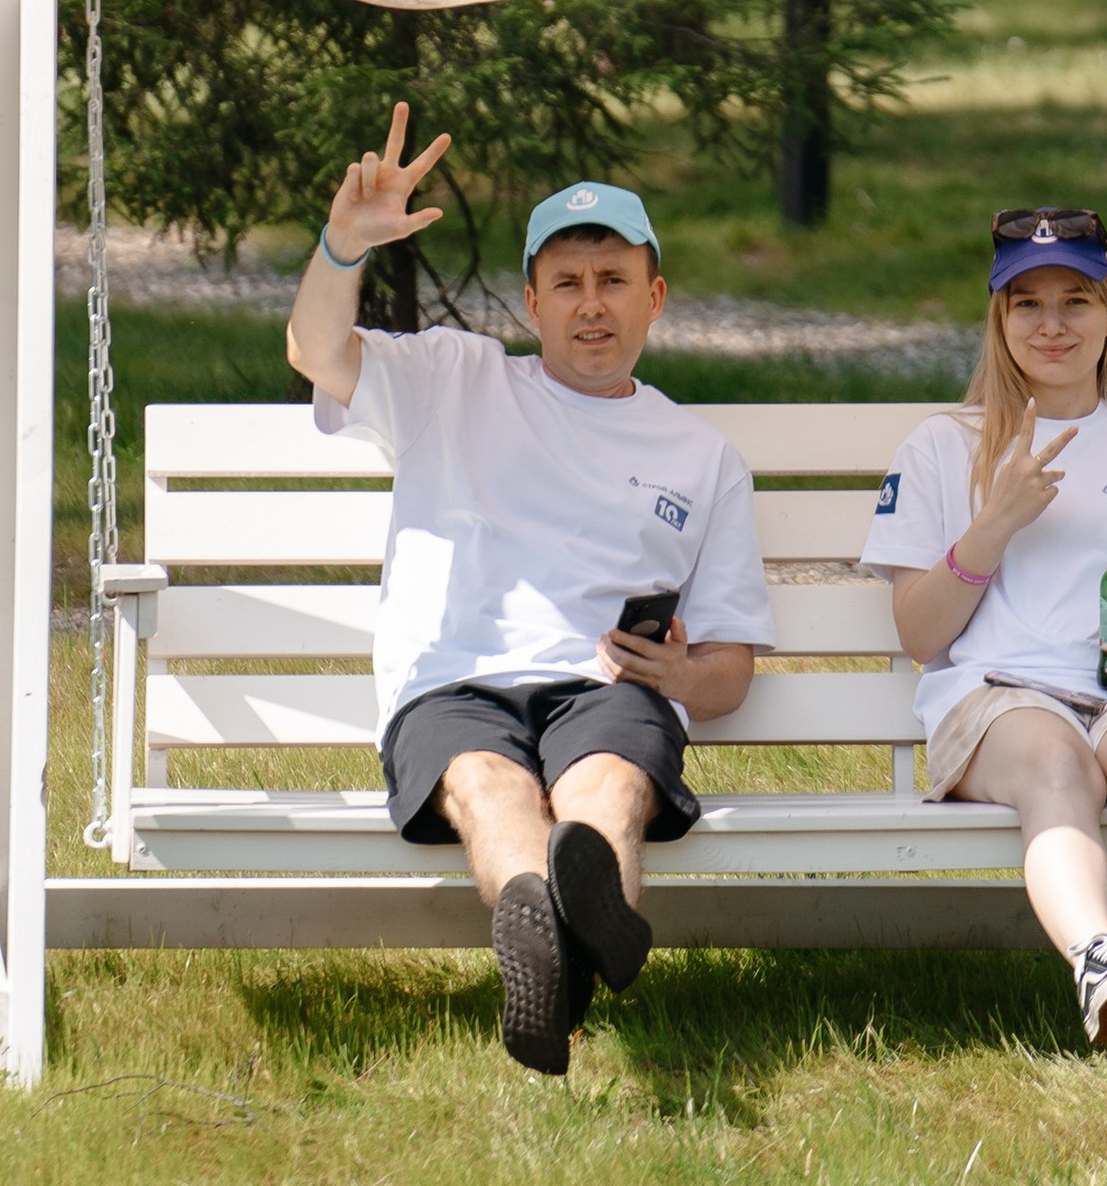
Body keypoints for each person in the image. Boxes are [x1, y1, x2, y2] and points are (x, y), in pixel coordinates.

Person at [287, 117, 773, 1077]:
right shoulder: (449, 380)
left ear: (655, 297)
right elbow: (315, 349)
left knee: (609, 783)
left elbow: (729, 674)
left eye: (613, 281)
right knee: (485, 782)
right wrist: (343, 245)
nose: (591, 307)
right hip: (454, 681)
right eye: (567, 284)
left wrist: (678, 671)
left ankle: (552, 944)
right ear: (532, 303)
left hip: (605, 688)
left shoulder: (703, 458)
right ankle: (573, 932)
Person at [860, 207, 1107, 1089]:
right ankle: (1100, 957)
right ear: (998, 322)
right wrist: (992, 526)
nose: (1052, 324)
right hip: (1000, 694)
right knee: (1053, 764)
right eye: (1026, 303)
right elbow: (920, 636)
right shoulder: (942, 447)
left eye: (1075, 300)